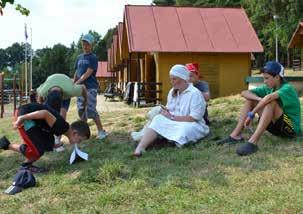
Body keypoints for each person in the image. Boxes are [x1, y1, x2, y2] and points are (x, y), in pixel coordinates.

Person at [217, 61, 301, 156]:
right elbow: (244, 92)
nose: (264, 81)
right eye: (263, 78)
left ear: (277, 77)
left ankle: (253, 142)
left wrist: (252, 114)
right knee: (250, 99)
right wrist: (259, 99)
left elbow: (269, 98)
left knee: (271, 102)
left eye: (266, 78)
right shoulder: (268, 88)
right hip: (276, 127)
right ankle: (235, 135)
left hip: (290, 129)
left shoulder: (287, 88)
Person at [133, 64, 210, 156]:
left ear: (183, 79)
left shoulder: (195, 94)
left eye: (174, 79)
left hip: (191, 124)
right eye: (171, 79)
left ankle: (169, 138)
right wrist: (165, 111)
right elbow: (170, 110)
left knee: (185, 129)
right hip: (174, 121)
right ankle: (140, 148)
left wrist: (172, 117)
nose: (171, 82)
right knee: (157, 119)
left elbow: (194, 118)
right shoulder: (172, 92)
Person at [0, 102, 91, 173]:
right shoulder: (60, 126)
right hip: (25, 116)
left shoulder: (63, 129)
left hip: (31, 118)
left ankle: (5, 144)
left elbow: (47, 130)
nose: (78, 143)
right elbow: (45, 113)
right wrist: (22, 118)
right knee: (37, 150)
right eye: (79, 140)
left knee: (47, 145)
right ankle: (26, 166)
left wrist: (52, 144)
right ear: (75, 133)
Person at [37, 73, 88, 151]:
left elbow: (83, 87)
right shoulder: (43, 91)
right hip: (51, 82)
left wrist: (85, 101)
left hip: (65, 84)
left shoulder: (70, 90)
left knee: (61, 116)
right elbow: (39, 96)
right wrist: (40, 106)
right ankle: (53, 140)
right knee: (49, 117)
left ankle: (57, 139)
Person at [74, 33, 107, 140]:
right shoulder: (79, 57)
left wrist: (77, 82)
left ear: (91, 45)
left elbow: (88, 73)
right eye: (83, 43)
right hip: (79, 88)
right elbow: (77, 72)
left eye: (87, 44)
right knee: (81, 110)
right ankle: (84, 133)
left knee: (91, 110)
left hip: (90, 88)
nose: (85, 46)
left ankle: (101, 131)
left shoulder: (93, 58)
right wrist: (73, 83)